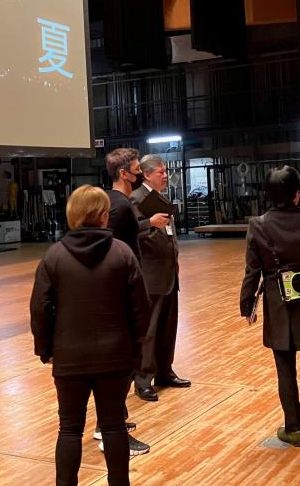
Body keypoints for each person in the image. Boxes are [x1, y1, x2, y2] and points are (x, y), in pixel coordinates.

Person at [30, 185, 151, 486]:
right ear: (103, 215)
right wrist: (135, 347)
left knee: (69, 429)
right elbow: (141, 307)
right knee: (114, 427)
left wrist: (46, 350)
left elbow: (40, 308)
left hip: (70, 356)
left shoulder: (54, 256)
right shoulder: (122, 253)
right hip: (115, 356)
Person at [240, 166, 300, 447]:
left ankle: (293, 428)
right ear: (297, 193)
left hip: (277, 303)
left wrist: (247, 304)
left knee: (285, 368)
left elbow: (252, 270)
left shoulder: (258, 225)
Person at [99, 148, 166, 456]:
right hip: (120, 295)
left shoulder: (114, 203)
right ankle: (110, 430)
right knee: (122, 365)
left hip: (120, 291)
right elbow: (110, 245)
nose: (140, 174)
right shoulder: (122, 206)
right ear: (124, 173)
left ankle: (112, 422)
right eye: (138, 169)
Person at [131, 154, 191, 401]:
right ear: (146, 174)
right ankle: (143, 379)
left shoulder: (160, 198)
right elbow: (129, 232)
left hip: (168, 273)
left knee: (168, 327)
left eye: (165, 171)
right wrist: (150, 223)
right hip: (151, 274)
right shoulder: (136, 199)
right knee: (150, 329)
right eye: (160, 172)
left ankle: (164, 371)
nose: (165, 176)